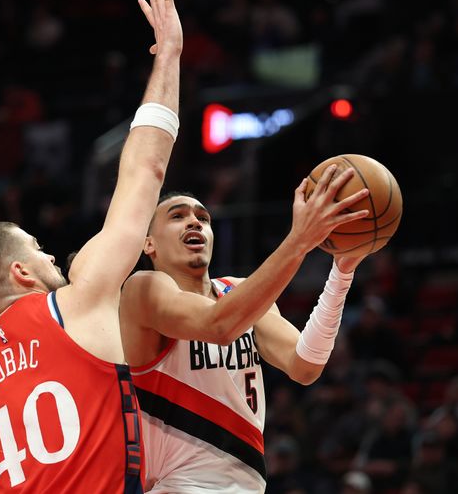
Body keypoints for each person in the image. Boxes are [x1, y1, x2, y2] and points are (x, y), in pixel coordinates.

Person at [0, 0, 182, 493]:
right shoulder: (76, 303)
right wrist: (168, 56)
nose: (49, 252)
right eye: (36, 247)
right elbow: (145, 171)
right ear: (19, 271)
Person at [119, 173, 371, 493]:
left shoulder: (237, 292)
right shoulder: (142, 288)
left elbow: (305, 366)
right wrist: (299, 240)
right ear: (149, 243)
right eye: (178, 216)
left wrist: (342, 272)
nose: (194, 222)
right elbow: (219, 326)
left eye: (203, 218)